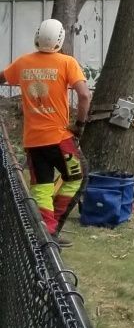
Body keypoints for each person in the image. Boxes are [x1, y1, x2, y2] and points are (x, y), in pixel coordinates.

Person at [1, 18, 91, 237]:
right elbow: (84, 95)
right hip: (60, 140)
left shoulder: (22, 63)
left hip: (33, 141)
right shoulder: (67, 63)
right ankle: (53, 230)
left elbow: (1, 78)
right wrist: (79, 125)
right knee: (79, 177)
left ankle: (44, 230)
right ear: (60, 39)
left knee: (41, 187)